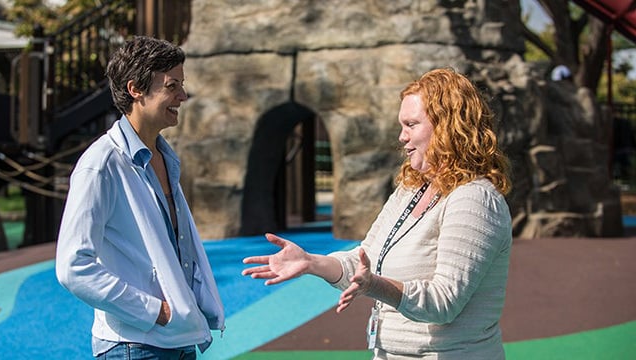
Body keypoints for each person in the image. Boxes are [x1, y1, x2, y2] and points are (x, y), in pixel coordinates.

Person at [243, 68, 512, 359]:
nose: (402, 136)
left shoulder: (474, 198)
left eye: (411, 124)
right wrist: (311, 262)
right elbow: (365, 260)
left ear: (448, 126)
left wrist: (375, 285)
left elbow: (443, 301)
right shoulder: (411, 190)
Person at [55, 36, 225, 360]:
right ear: (136, 89)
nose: (183, 96)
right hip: (132, 347)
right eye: (172, 86)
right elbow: (72, 266)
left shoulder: (164, 158)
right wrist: (154, 310)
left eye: (182, 85)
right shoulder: (100, 165)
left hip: (177, 340)